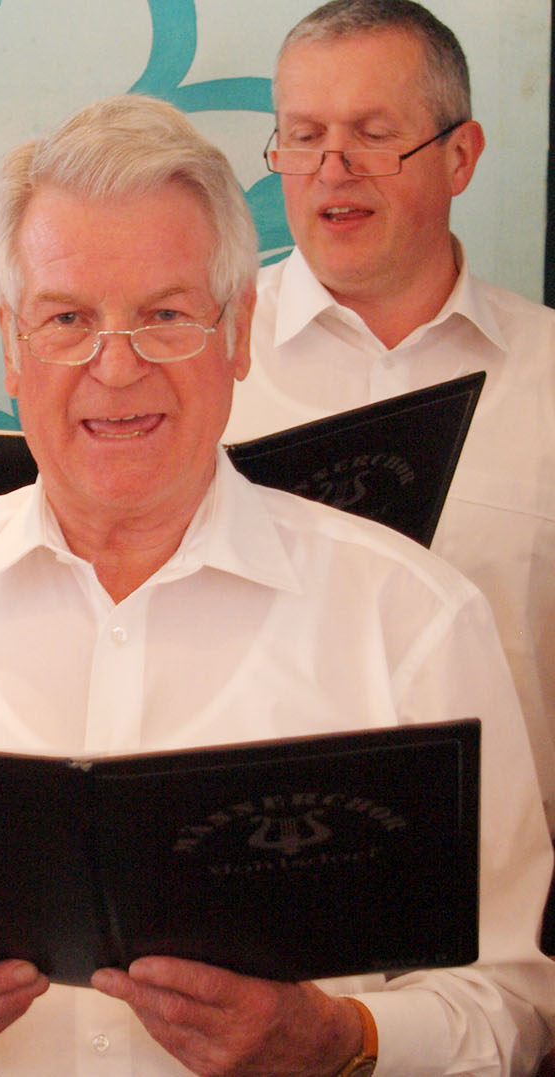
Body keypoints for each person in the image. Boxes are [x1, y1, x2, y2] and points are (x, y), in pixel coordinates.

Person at [0, 95, 555, 1075]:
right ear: (10, 344)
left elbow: (514, 1004)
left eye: (165, 316)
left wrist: (340, 1041)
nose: (117, 366)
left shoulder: (411, 617)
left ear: (239, 332)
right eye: (68, 319)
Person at [225, 0, 555, 836]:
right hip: (246, 851)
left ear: (460, 155)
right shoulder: (197, 356)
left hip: (508, 871)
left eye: (373, 135)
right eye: (304, 137)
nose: (332, 171)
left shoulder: (547, 373)